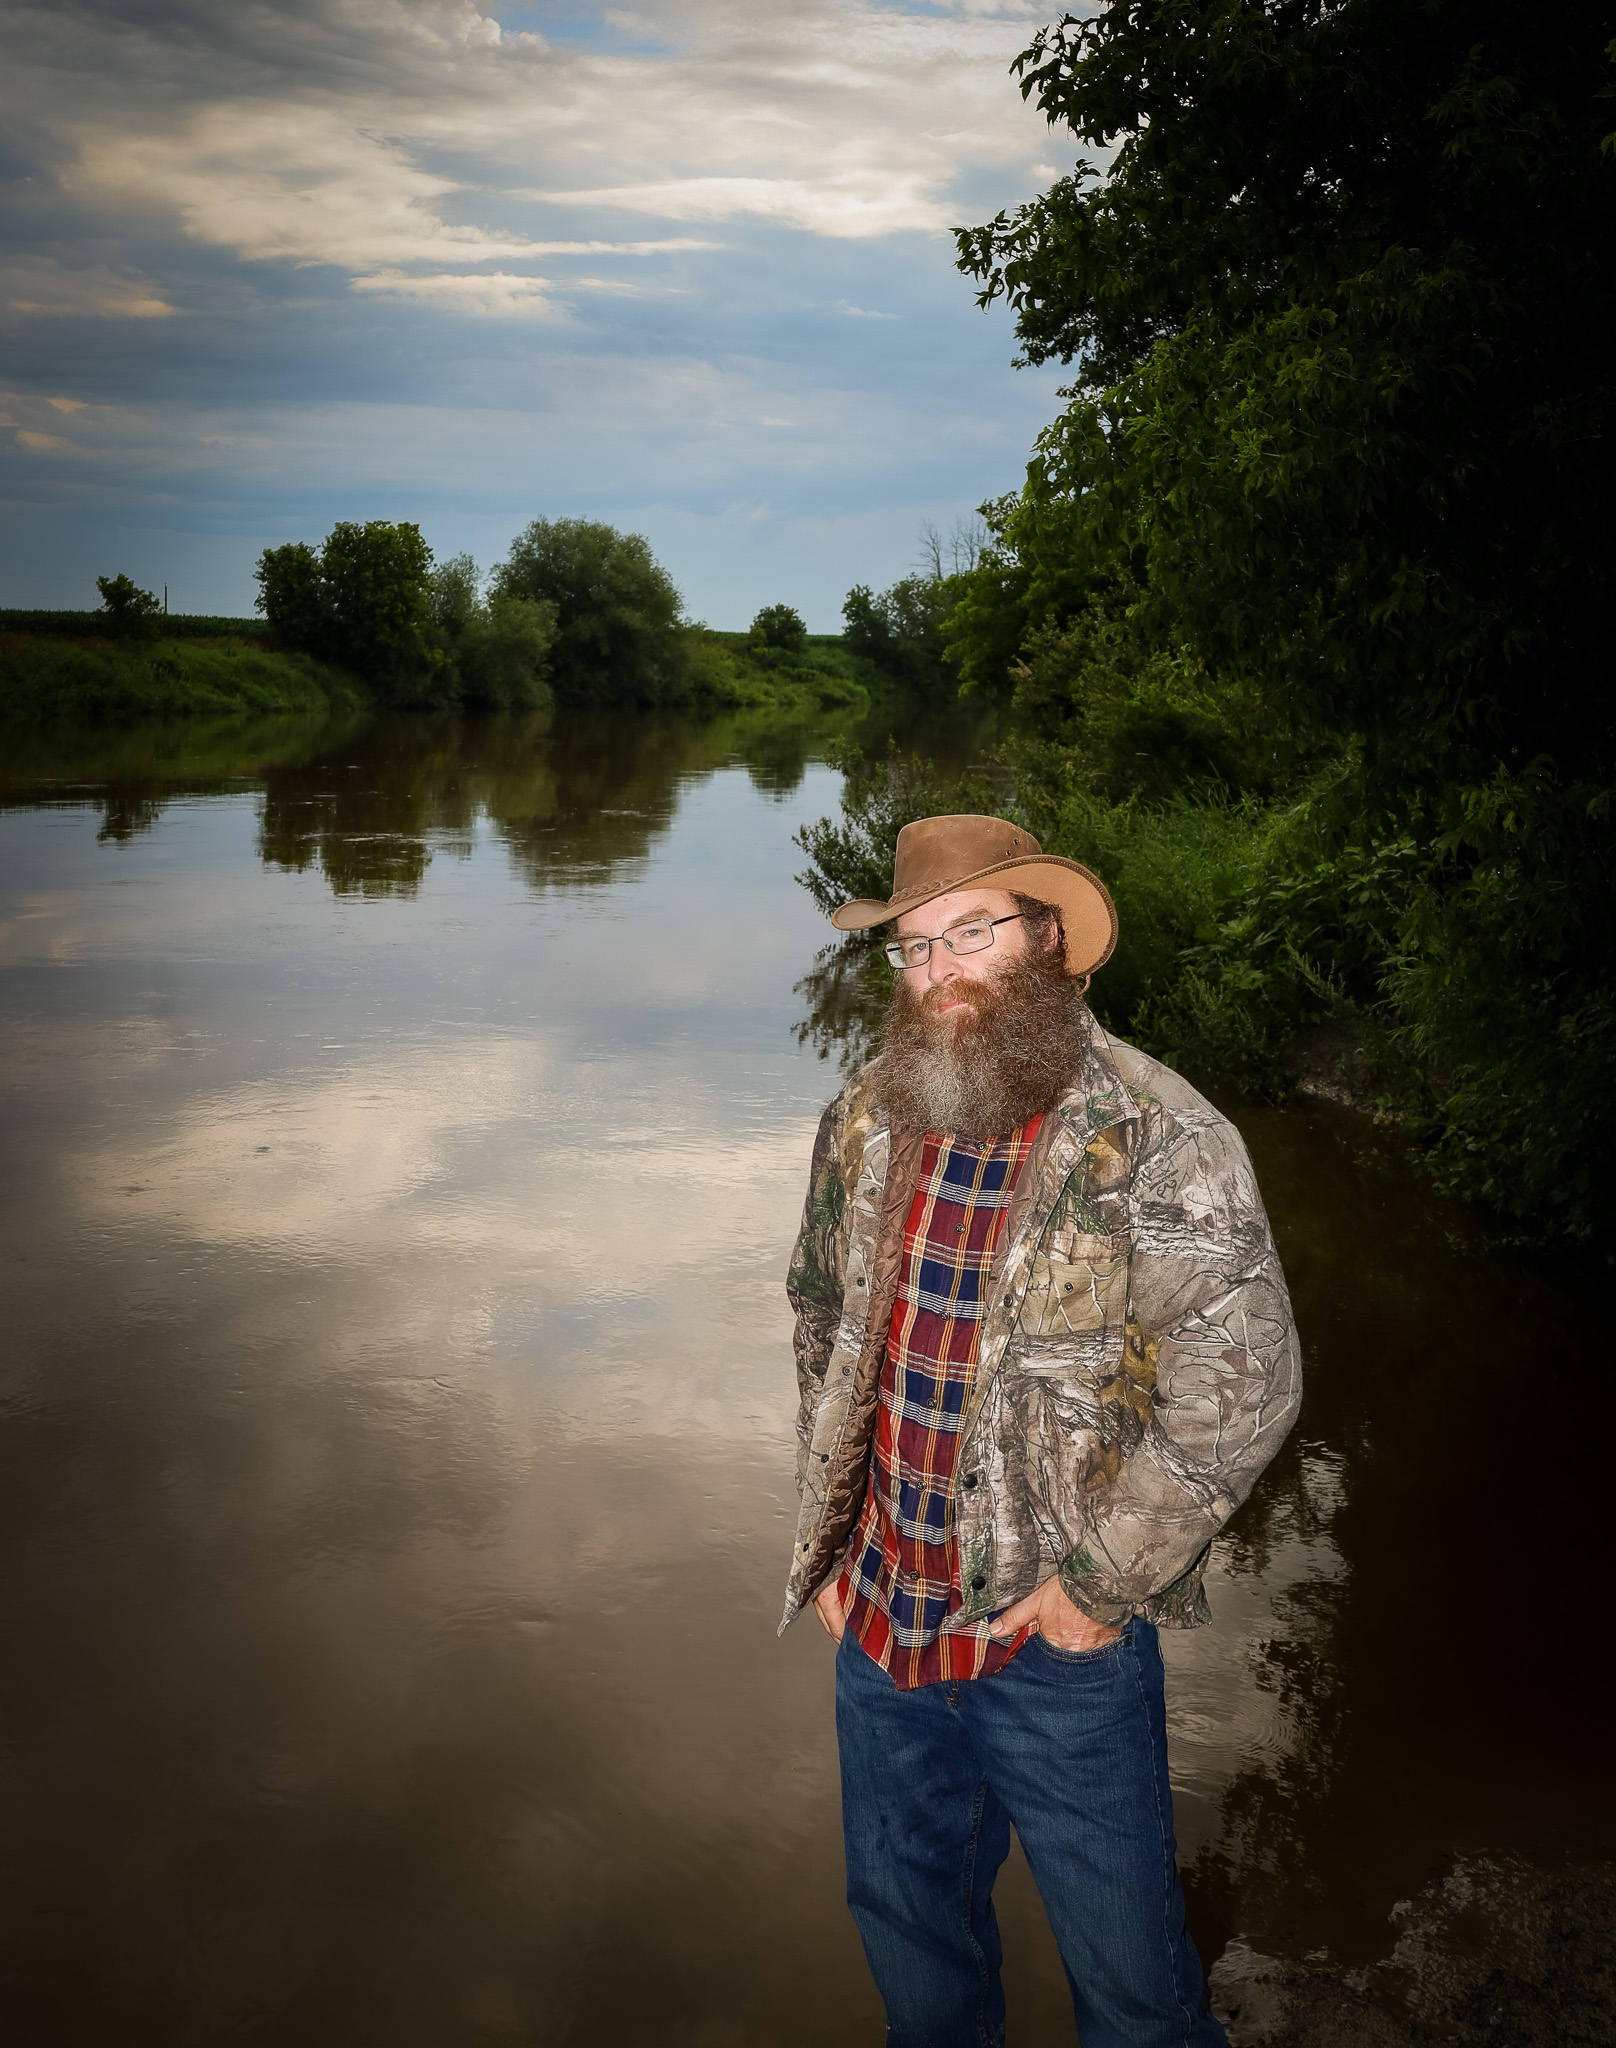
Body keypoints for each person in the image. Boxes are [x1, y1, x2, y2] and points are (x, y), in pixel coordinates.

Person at [781, 813, 1301, 2048]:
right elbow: (817, 1313)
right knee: (916, 1970)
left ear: (1049, 938)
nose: (939, 969)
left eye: (971, 931)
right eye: (913, 946)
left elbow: (1245, 1381)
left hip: (1054, 1648)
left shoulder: (1157, 1133)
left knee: (1134, 1997)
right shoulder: (866, 1112)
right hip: (880, 1629)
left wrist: (1096, 1589)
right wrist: (829, 1537)